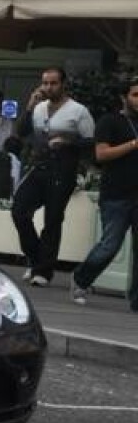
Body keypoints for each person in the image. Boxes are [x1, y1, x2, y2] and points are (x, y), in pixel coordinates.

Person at [13, 66, 95, 287]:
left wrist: (69, 142)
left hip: (63, 170)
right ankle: (35, 258)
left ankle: (43, 271)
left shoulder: (78, 111)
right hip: (39, 167)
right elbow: (20, 132)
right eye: (45, 83)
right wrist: (29, 107)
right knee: (19, 211)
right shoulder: (38, 108)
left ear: (63, 84)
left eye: (53, 83)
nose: (48, 87)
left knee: (52, 220)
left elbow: (92, 142)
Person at [70, 78, 138, 309]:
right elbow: (102, 154)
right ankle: (81, 279)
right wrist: (133, 144)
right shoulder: (110, 121)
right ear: (124, 97)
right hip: (117, 194)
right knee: (110, 244)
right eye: (136, 95)